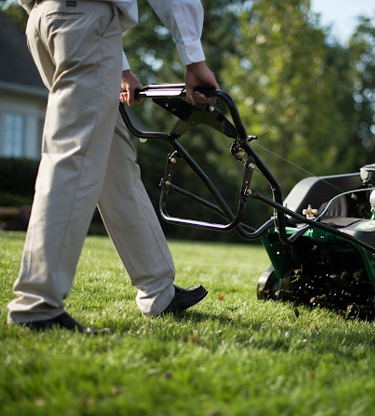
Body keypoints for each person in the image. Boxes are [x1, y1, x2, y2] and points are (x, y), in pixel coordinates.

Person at [7, 0, 219, 333]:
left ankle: (158, 290)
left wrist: (120, 68)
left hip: (44, 21)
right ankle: (37, 305)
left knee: (112, 162)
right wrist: (193, 58)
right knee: (73, 156)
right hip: (86, 21)